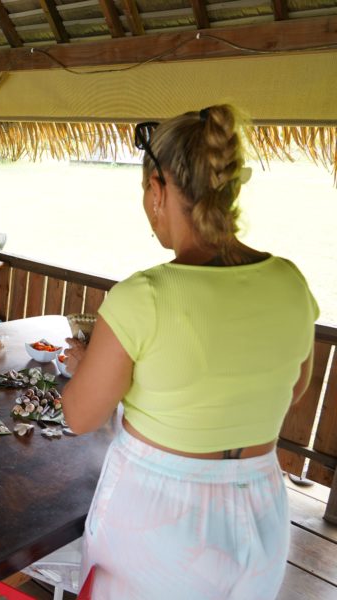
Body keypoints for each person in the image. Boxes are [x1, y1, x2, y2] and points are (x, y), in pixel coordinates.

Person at [59, 105, 318, 599]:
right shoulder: (290, 283)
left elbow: (79, 415)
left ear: (157, 190)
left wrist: (90, 372)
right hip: (260, 522)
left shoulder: (145, 296)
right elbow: (293, 389)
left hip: (160, 530)